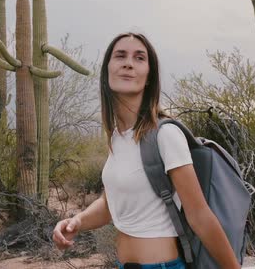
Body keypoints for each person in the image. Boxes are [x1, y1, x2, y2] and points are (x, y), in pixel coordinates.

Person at [52, 33, 240, 269]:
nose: (128, 62)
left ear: (149, 77)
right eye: (120, 55)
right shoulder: (117, 138)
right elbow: (110, 204)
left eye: (139, 58)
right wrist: (76, 221)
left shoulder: (165, 135)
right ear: (107, 70)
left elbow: (200, 216)